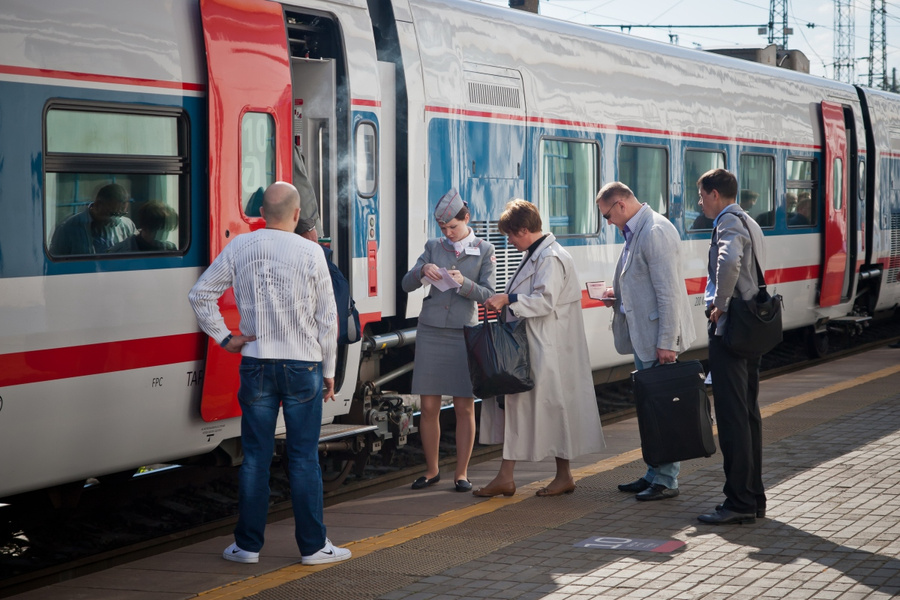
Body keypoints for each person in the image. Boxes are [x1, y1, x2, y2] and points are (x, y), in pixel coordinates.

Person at [188, 181, 351, 565]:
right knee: (303, 457)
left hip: (257, 363)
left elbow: (200, 294)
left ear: (262, 212)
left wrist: (225, 338)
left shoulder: (242, 246)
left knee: (256, 457)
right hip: (303, 365)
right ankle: (313, 547)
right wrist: (329, 371)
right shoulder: (312, 252)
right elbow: (328, 320)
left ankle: (247, 546)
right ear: (296, 215)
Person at [479, 199, 604, 498]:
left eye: (510, 234)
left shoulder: (549, 258)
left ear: (523, 230)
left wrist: (508, 300)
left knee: (545, 409)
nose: (508, 241)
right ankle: (511, 476)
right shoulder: (539, 253)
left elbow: (545, 301)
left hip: (547, 347)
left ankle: (554, 476)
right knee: (528, 409)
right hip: (538, 344)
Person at [596, 182, 696, 502]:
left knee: (662, 411)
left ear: (621, 205)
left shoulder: (654, 231)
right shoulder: (638, 230)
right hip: (645, 338)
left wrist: (667, 342)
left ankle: (667, 479)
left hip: (657, 341)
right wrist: (618, 298)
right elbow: (644, 285)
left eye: (607, 215)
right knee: (651, 411)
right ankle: (654, 472)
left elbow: (668, 294)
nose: (608, 223)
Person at [401, 189, 496, 493]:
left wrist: (463, 283)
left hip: (462, 332)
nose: (448, 234)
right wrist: (421, 271)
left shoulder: (485, 249)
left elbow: (489, 295)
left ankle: (462, 473)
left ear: (466, 218)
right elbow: (406, 283)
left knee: (463, 407)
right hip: (430, 329)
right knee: (428, 407)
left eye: (453, 227)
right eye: (443, 229)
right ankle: (431, 471)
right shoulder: (433, 246)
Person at [696, 168, 766, 525]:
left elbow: (729, 259)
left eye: (701, 195)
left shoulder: (727, 221)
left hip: (730, 328)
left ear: (714, 194)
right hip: (749, 328)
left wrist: (719, 303)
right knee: (748, 413)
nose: (700, 202)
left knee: (732, 414)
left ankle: (738, 501)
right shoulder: (748, 219)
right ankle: (753, 496)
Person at [49, 183, 136, 255]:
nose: (116, 220)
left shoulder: (127, 225)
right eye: (112, 213)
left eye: (121, 214)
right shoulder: (67, 228)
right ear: (98, 205)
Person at [107, 201, 177, 252]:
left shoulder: (170, 249)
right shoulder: (118, 252)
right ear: (145, 226)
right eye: (160, 229)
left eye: (167, 230)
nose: (164, 235)